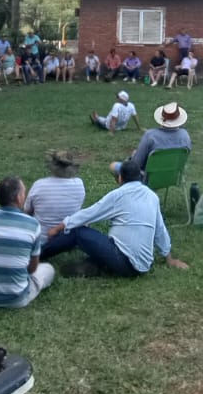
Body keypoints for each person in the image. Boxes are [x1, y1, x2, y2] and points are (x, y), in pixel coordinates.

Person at [39, 160, 188, 277]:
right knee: (101, 242)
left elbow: (89, 214)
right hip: (142, 267)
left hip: (122, 259)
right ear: (140, 177)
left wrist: (58, 227)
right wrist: (169, 258)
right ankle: (94, 265)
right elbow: (160, 229)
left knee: (78, 232)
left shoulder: (119, 195)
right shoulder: (152, 196)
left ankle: (37, 255)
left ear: (120, 178)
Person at [0, 176, 57, 308]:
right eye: (24, 193)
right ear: (19, 198)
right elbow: (32, 268)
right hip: (16, 298)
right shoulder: (33, 224)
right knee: (48, 269)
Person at [112, 101, 191, 176]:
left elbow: (136, 165)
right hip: (171, 176)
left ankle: (130, 189)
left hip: (146, 177)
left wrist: (133, 157)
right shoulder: (185, 135)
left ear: (161, 118)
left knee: (113, 166)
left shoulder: (151, 135)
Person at [25, 151, 86, 235]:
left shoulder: (39, 185)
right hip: (68, 238)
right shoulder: (79, 184)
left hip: (40, 237)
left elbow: (27, 211)